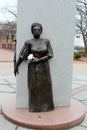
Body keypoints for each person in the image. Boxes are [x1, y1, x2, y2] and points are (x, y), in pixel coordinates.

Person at [14, 23, 54, 112]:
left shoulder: (46, 41)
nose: (37, 31)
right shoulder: (29, 42)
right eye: (35, 29)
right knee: (34, 87)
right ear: (32, 31)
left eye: (38, 29)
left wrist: (39, 60)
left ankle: (47, 106)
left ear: (41, 31)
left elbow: (50, 54)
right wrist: (16, 66)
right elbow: (22, 55)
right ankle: (34, 107)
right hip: (33, 69)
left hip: (44, 68)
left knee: (46, 87)